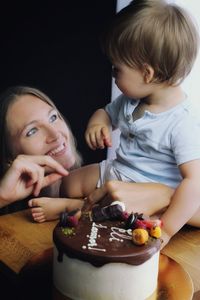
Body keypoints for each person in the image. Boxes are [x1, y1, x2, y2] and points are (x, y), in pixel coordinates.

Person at [60, 0, 200, 249]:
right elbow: (105, 112)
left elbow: (194, 182)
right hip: (117, 171)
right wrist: (98, 122)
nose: (113, 75)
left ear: (147, 73)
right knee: (69, 183)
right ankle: (73, 203)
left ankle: (72, 209)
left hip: (148, 192)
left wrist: (166, 228)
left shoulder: (182, 123)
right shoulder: (130, 101)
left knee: (114, 220)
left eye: (117, 69)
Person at [0, 85, 84, 220]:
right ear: (9, 158)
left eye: (53, 117)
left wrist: (74, 205)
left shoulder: (99, 179)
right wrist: (2, 197)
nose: (55, 134)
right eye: (32, 131)